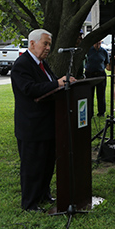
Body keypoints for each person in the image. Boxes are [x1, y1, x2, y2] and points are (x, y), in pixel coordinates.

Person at [10, 29, 74, 211]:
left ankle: (44, 195)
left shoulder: (43, 64)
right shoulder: (22, 65)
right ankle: (30, 203)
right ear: (32, 43)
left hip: (47, 123)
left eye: (49, 45)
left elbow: (49, 85)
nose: (48, 48)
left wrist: (64, 84)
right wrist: (58, 83)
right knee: (32, 166)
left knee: (46, 164)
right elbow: (30, 89)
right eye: (45, 44)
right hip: (31, 126)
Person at [84, 39, 109, 117]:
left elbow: (106, 63)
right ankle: (89, 113)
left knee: (101, 94)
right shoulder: (88, 50)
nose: (98, 43)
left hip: (100, 74)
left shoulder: (104, 51)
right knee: (89, 94)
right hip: (89, 74)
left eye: (99, 41)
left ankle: (101, 112)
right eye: (96, 41)